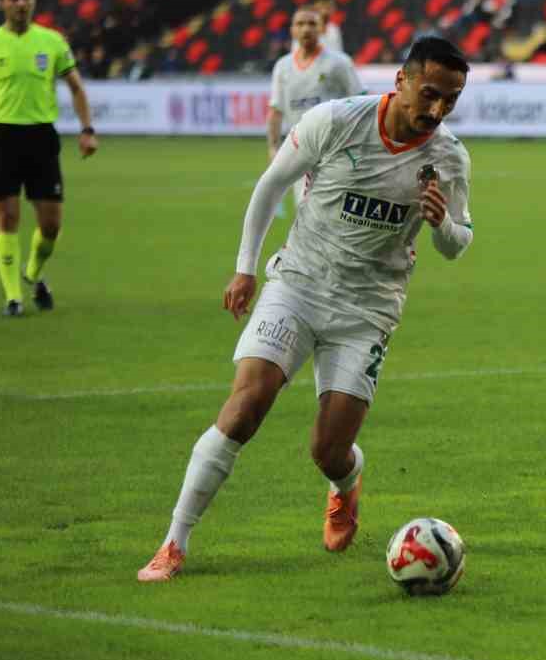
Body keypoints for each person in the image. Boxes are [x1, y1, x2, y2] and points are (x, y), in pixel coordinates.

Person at [137, 36, 474, 582]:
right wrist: (246, 267)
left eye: (450, 100)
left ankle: (345, 485)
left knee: (329, 449)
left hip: (368, 308)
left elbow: (459, 243)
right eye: (430, 93)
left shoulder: (448, 156)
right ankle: (174, 542)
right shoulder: (336, 121)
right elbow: (271, 185)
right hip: (299, 283)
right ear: (401, 81)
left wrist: (442, 225)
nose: (436, 110)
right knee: (247, 405)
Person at [0, 0, 99, 317]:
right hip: (1, 137)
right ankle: (13, 298)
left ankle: (32, 274)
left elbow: (76, 88)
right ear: (1, 3)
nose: (20, 3)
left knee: (50, 225)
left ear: (33, 2)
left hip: (41, 137)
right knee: (7, 216)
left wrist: (87, 129)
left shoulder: (52, 41)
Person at [266, 6, 364, 217]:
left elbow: (361, 102)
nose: (306, 29)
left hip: (335, 150)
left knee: (338, 215)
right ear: (292, 30)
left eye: (312, 23)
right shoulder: (282, 67)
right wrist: (273, 147)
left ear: (321, 29)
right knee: (305, 215)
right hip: (299, 150)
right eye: (300, 24)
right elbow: (276, 109)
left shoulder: (339, 63)